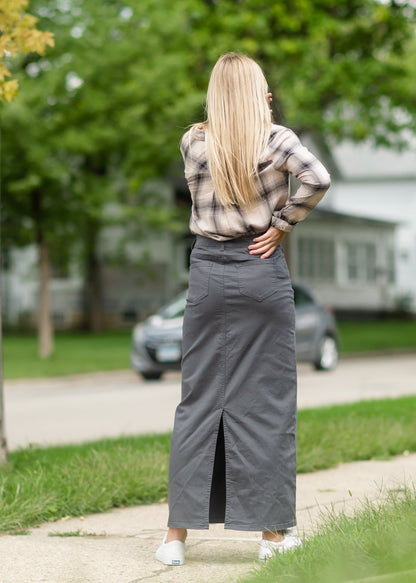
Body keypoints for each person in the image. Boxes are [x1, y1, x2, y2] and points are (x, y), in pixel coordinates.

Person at [155, 52, 331, 565]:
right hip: (261, 267)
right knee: (269, 403)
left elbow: (212, 174)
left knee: (198, 401)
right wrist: (282, 224)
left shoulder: (194, 141)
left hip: (208, 272)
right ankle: (273, 538)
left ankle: (174, 539)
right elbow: (317, 178)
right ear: (259, 93)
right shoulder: (275, 139)